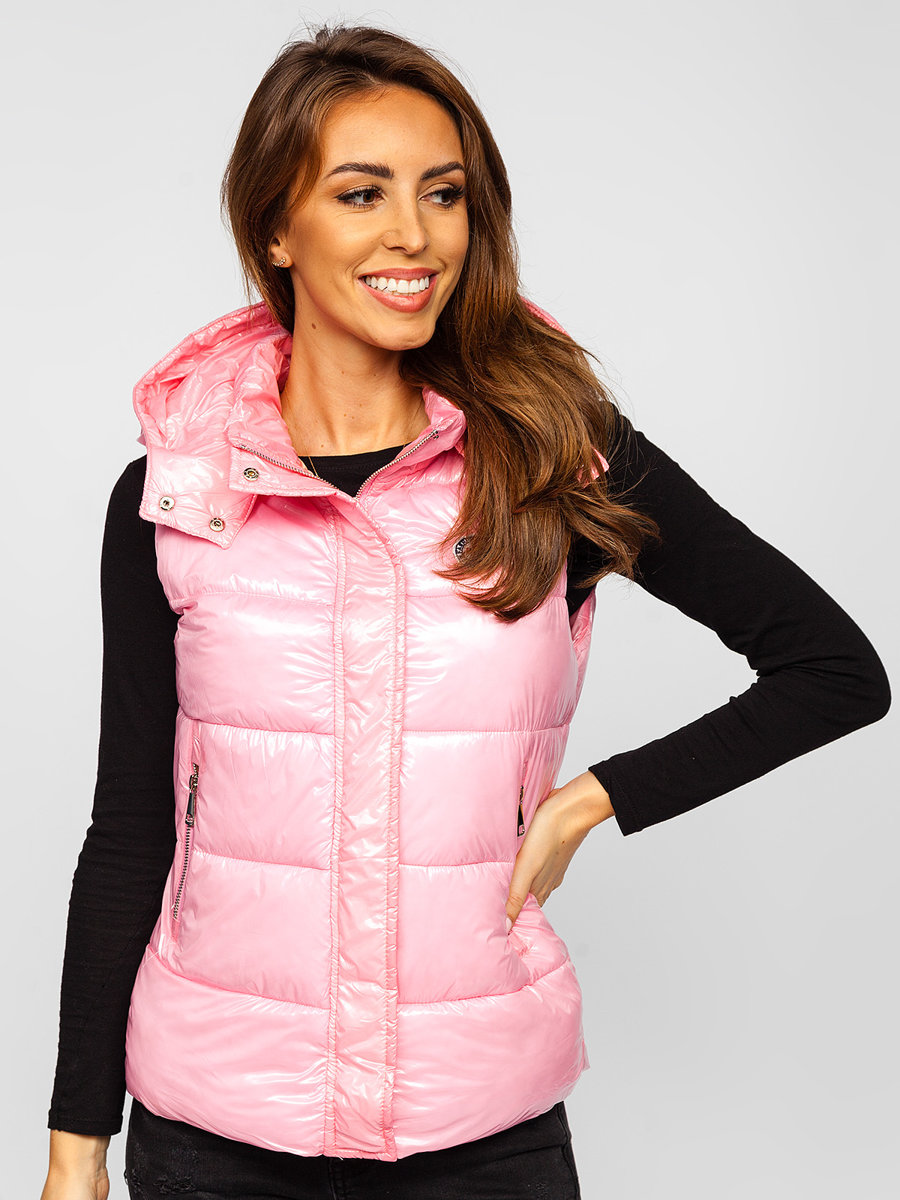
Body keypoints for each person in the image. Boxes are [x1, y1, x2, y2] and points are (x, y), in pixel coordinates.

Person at [40, 22, 890, 1200]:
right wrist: (75, 1148)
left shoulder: (554, 458)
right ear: (277, 228)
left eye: (443, 193)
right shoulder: (177, 495)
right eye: (362, 193)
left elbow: (835, 671)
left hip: (482, 1139)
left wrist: (594, 799)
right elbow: (130, 825)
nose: (415, 234)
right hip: (211, 1137)